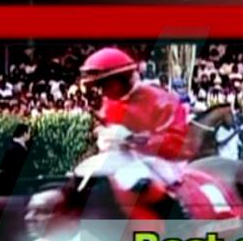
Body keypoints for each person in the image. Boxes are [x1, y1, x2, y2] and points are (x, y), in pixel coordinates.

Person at [79, 47, 193, 214]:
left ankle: (177, 215)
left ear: (123, 79)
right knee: (84, 172)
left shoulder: (162, 100)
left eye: (106, 84)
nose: (102, 91)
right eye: (99, 86)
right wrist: (104, 135)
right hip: (126, 158)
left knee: (132, 177)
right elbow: (108, 132)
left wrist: (135, 139)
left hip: (163, 162)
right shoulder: (110, 102)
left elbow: (178, 146)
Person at [0, 124, 32, 196]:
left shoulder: (15, 145)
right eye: (29, 133)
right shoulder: (15, 148)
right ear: (24, 133)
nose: (30, 135)